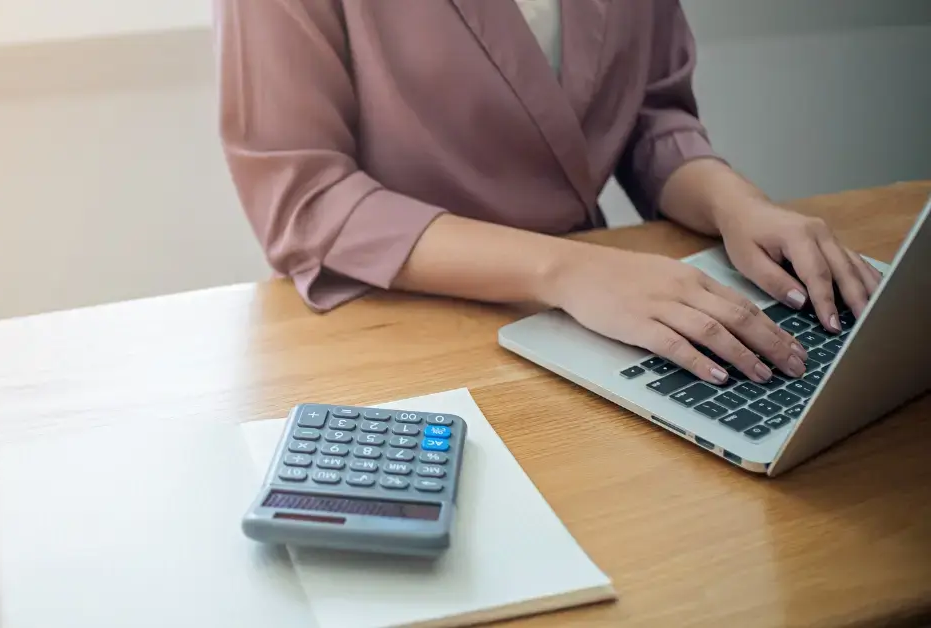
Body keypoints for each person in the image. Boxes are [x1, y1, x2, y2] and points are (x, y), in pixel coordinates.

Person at [214, 0, 881, 388]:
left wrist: (737, 204)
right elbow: (306, 199)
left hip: (604, 325)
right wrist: (564, 270)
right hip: (403, 343)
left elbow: (648, 115)